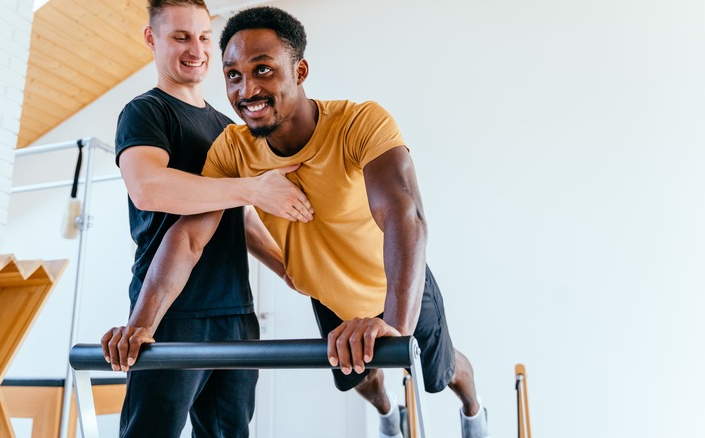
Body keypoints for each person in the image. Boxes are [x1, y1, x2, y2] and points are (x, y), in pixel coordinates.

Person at [108, 5, 490, 438]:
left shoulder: (358, 123)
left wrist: (394, 327)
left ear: (300, 70)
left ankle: (475, 410)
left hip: (395, 282)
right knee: (360, 378)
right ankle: (387, 415)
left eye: (263, 70)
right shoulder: (231, 148)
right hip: (329, 297)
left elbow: (405, 216)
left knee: (440, 374)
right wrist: (139, 326)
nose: (247, 88)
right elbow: (188, 237)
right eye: (233, 75)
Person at [100, 1, 313, 437]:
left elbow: (238, 217)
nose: (195, 49)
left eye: (202, 37)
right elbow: (148, 187)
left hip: (236, 312)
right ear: (151, 39)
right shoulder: (146, 112)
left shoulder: (227, 125)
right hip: (172, 312)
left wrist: (291, 271)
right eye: (180, 37)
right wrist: (252, 188)